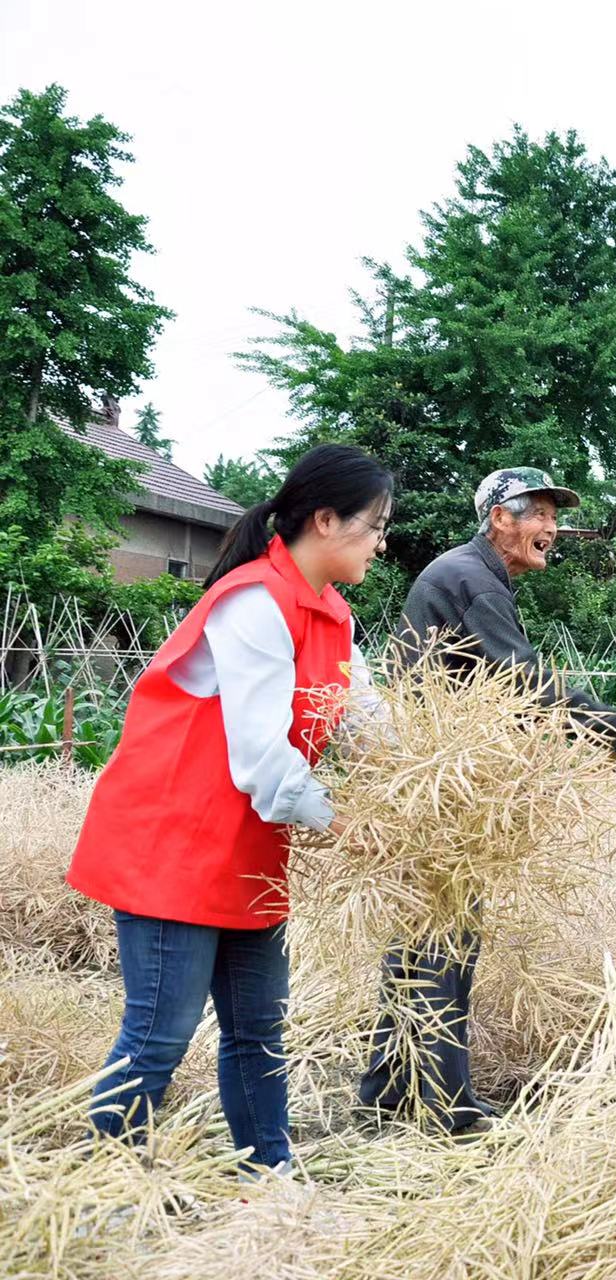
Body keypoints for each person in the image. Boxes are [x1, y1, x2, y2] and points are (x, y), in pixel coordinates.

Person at [67, 444, 394, 1175]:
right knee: (158, 1034)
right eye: (374, 525)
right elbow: (261, 758)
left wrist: (425, 788)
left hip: (247, 850)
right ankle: (98, 1190)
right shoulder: (254, 602)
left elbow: (364, 717)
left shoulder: (332, 614)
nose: (381, 542)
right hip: (173, 845)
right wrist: (344, 823)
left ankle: (266, 1176)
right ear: (325, 520)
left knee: (259, 1028)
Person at [355, 466, 616, 1134]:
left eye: (554, 517)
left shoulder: (469, 576)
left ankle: (387, 1089)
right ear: (499, 516)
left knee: (422, 935)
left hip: (436, 780)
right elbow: (526, 692)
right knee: (445, 939)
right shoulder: (472, 580)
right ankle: (445, 1108)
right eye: (539, 514)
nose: (551, 528)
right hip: (444, 790)